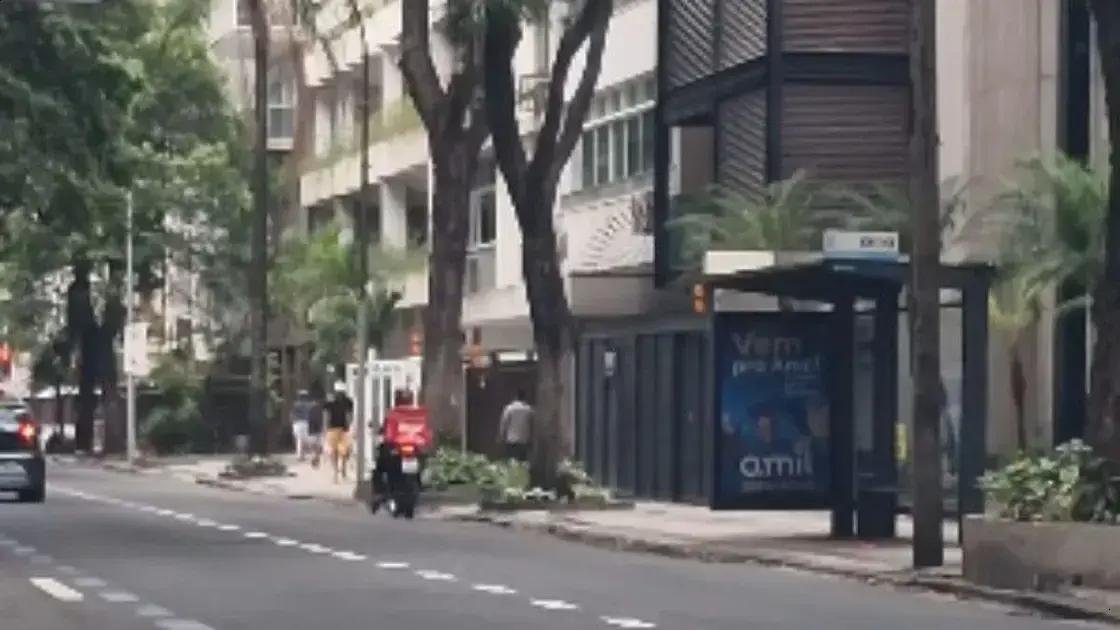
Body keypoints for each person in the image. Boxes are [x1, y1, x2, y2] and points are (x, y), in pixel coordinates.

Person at [324, 381, 354, 483]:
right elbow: (349, 415)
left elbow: (326, 415)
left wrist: (325, 428)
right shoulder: (346, 401)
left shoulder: (332, 401)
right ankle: (339, 472)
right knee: (339, 451)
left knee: (340, 451)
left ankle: (339, 472)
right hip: (339, 429)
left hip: (337, 429)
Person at [497, 390, 533, 462]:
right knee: (522, 461)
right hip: (524, 439)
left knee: (511, 461)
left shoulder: (509, 408)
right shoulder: (529, 410)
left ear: (515, 397)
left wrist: (501, 436)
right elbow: (531, 425)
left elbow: (504, 423)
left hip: (511, 439)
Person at [289, 390, 315, 462]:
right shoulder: (310, 405)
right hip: (307, 423)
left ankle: (300, 455)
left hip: (297, 423)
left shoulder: (295, 404)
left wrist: (292, 422)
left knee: (299, 440)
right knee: (309, 440)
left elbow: (292, 414)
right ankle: (312, 455)